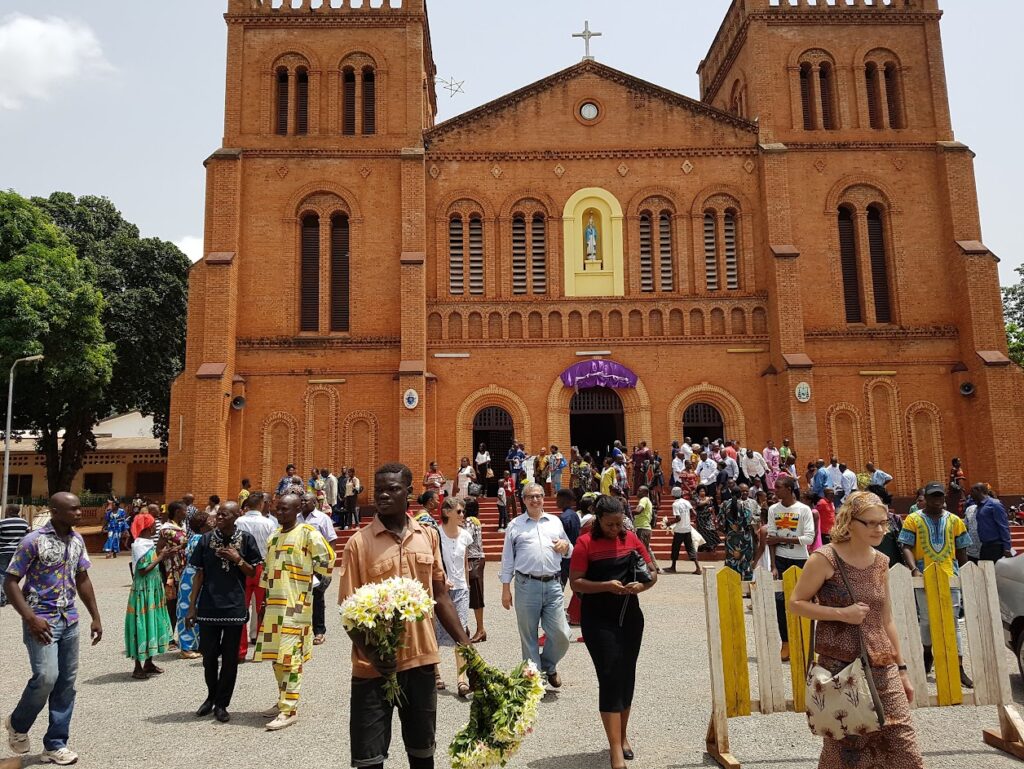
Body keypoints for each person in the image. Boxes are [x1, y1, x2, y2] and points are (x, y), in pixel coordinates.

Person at [338, 462, 472, 769]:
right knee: (368, 760)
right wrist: (373, 653)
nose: (383, 495)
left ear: (410, 492)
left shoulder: (428, 536)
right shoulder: (358, 544)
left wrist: (469, 650)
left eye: (393, 489)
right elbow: (348, 611)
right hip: (372, 670)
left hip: (421, 662)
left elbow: (441, 596)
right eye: (379, 489)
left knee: (423, 754)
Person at [788, 491, 924, 769]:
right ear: (850, 522)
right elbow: (796, 604)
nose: (880, 529)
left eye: (883, 523)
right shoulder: (824, 559)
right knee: (846, 745)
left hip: (881, 663)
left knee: (903, 742)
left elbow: (886, 619)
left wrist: (903, 670)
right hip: (841, 666)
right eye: (871, 523)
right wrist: (841, 614)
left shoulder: (882, 561)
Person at [4, 494, 101, 766]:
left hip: (69, 620)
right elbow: (11, 582)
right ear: (55, 512)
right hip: (41, 622)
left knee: (66, 684)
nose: (79, 513)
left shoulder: (77, 540)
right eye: (73, 509)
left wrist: (95, 616)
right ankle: (18, 722)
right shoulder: (33, 541)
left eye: (79, 508)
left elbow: (82, 578)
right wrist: (30, 617)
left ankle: (55, 744)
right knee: (46, 676)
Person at [569, 494, 658, 769]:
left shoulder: (631, 538)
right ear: (598, 520)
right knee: (609, 677)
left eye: (620, 523)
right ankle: (615, 750)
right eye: (610, 524)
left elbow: (652, 571)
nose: (616, 529)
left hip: (630, 617)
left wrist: (642, 587)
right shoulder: (585, 543)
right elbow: (576, 583)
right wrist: (606, 585)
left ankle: (623, 735)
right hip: (598, 619)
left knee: (626, 675)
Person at [255, 493, 334, 730]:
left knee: (290, 658)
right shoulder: (273, 537)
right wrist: (263, 604)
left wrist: (312, 584)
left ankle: (290, 709)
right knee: (276, 659)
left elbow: (327, 561)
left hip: (295, 608)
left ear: (297, 509)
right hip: (273, 608)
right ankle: (283, 700)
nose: (280, 513)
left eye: (285, 509)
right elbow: (268, 572)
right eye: (278, 509)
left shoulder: (308, 533)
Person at [186, 501, 261, 723]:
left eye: (224, 515)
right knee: (209, 656)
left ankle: (222, 703)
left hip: (234, 606)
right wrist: (192, 606)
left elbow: (251, 572)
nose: (218, 518)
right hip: (209, 605)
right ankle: (210, 696)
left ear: (237, 515)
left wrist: (237, 559)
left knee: (230, 659)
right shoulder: (206, 540)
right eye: (218, 514)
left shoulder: (246, 539)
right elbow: (198, 574)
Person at [898, 481, 973, 688]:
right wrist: (914, 568)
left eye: (940, 496)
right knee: (927, 620)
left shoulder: (955, 521)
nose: (937, 500)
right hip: (924, 575)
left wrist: (966, 573)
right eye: (933, 497)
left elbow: (962, 549)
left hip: (950, 575)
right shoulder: (913, 519)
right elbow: (906, 545)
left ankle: (958, 666)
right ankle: (927, 652)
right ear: (926, 498)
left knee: (953, 622)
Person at [499, 482, 574, 689]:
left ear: (544, 498)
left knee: (562, 634)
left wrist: (565, 546)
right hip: (526, 584)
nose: (535, 500)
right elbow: (507, 559)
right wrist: (506, 588)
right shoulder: (515, 525)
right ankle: (535, 681)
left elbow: (570, 550)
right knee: (529, 635)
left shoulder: (555, 522)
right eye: (530, 496)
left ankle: (548, 666)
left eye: (538, 496)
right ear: (523, 500)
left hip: (553, 584)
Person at [766, 475, 815, 661]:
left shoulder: (804, 510)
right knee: (780, 603)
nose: (775, 490)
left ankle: (806, 641)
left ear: (789, 489)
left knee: (803, 602)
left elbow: (808, 539)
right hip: (780, 560)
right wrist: (773, 565)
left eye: (778, 487)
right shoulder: (773, 510)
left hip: (800, 560)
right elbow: (771, 538)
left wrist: (781, 539)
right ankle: (785, 643)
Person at [125, 511, 177, 679]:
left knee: (152, 623)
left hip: (152, 589)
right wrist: (160, 557)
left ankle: (148, 662)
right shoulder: (140, 545)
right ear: (147, 527)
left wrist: (164, 553)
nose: (156, 526)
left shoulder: (146, 543)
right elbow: (142, 569)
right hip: (144, 591)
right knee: (143, 624)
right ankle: (138, 667)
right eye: (153, 524)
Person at [433, 497, 473, 697]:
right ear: (446, 512)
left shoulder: (465, 535)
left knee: (461, 633)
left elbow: (465, 563)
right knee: (436, 633)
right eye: (458, 511)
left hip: (461, 590)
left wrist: (466, 585)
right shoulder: (436, 534)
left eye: (463, 511)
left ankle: (461, 679)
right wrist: (442, 579)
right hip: (440, 591)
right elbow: (434, 561)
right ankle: (436, 672)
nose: (462, 515)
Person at [234, 492, 277, 660]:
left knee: (241, 609)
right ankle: (262, 648)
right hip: (262, 568)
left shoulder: (238, 521)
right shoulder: (269, 523)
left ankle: (240, 650)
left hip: (242, 567)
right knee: (262, 608)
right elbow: (273, 548)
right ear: (260, 505)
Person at [298, 491, 339, 646]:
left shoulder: (323, 519)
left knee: (317, 598)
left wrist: (326, 564)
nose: (302, 503)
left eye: (306, 501)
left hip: (316, 568)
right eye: (301, 501)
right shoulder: (296, 518)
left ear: (314, 503)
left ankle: (319, 631)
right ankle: (302, 630)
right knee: (299, 598)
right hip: (300, 566)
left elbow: (331, 541)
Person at [176, 509, 211, 660]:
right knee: (187, 610)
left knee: (196, 609)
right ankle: (186, 647)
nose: (213, 522)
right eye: (209, 521)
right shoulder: (199, 539)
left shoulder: (197, 537)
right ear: (202, 526)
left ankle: (195, 644)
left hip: (193, 576)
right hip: (193, 578)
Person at [159, 501, 189, 647]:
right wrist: (178, 548)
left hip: (182, 569)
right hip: (172, 571)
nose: (186, 512)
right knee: (171, 603)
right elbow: (159, 550)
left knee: (179, 603)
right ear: (177, 512)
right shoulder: (167, 529)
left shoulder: (180, 527)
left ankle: (173, 635)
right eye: (184, 510)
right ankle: (168, 637)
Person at [464, 495, 487, 643]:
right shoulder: (474, 520)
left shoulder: (469, 521)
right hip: (474, 558)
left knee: (475, 595)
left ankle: (480, 629)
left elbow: (465, 538)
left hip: (473, 560)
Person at [723, 483, 758, 580]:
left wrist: (729, 530)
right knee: (746, 562)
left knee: (731, 561)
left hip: (730, 538)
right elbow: (749, 520)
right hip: (745, 538)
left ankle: (732, 586)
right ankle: (747, 589)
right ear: (740, 494)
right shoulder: (745, 505)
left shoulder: (725, 504)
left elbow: (720, 522)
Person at [970, 483, 1012, 562]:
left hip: (996, 547)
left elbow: (1003, 526)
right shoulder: (979, 506)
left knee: (995, 572)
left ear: (979, 491)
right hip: (985, 546)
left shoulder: (994, 505)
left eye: (972, 491)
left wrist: (1007, 548)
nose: (970, 494)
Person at [664, 487, 700, 574]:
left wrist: (669, 523)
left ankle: (673, 567)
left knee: (675, 548)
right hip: (687, 529)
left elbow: (678, 518)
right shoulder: (686, 502)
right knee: (690, 548)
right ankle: (698, 568)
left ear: (672, 495)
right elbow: (694, 513)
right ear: (681, 493)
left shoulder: (675, 504)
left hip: (679, 530)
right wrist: (687, 519)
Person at [0, 504, 30, 608]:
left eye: (7, 509)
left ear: (10, 511)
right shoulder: (25, 523)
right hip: (18, 553)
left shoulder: (2, 522)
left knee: (3, 574)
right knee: (14, 575)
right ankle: (11, 598)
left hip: (3, 552)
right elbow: (27, 538)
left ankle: (2, 598)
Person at [556, 488, 582, 587]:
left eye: (557, 499)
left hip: (564, 558)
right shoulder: (575, 515)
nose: (556, 502)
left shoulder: (563, 518)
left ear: (564, 500)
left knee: (559, 586)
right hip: (573, 555)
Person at [632, 486, 657, 571]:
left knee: (642, 550)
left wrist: (628, 511)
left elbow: (638, 510)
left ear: (645, 493)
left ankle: (646, 569)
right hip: (645, 528)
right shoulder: (648, 501)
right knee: (647, 549)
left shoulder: (644, 500)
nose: (637, 492)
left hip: (642, 528)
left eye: (640, 491)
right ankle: (655, 567)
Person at [693, 485, 719, 551]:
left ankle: (712, 545)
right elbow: (699, 504)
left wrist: (711, 509)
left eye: (704, 491)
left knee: (711, 530)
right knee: (702, 532)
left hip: (708, 518)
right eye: (701, 491)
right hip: (700, 519)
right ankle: (704, 546)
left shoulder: (708, 498)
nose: (702, 492)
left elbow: (712, 507)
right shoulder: (697, 498)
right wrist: (707, 500)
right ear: (698, 492)